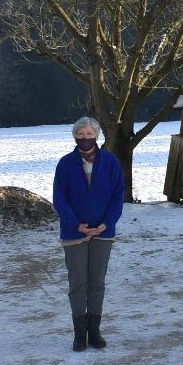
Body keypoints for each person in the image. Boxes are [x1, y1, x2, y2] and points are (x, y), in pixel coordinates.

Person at [52, 116, 125, 351]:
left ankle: (94, 331)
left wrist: (107, 223)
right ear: (75, 136)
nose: (85, 138)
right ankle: (79, 334)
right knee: (78, 282)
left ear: (97, 135)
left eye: (89, 134)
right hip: (75, 233)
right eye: (81, 134)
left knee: (97, 282)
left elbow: (117, 196)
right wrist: (76, 225)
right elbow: (59, 199)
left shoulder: (111, 162)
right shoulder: (65, 164)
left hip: (103, 232)